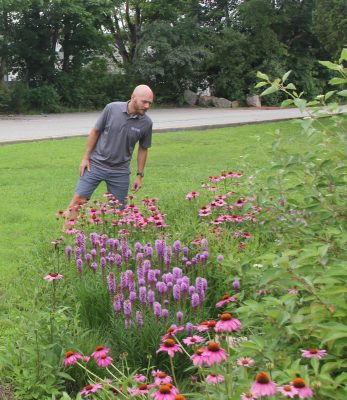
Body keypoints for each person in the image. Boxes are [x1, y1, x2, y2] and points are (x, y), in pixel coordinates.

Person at [63, 84, 154, 227]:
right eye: (144, 102)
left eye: (150, 103)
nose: (147, 106)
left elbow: (143, 148)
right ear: (133, 97)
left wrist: (139, 175)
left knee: (119, 212)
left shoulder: (146, 123)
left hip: (120, 172)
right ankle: (65, 239)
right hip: (95, 165)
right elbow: (95, 131)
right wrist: (85, 158)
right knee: (77, 202)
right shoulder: (112, 108)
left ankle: (114, 245)